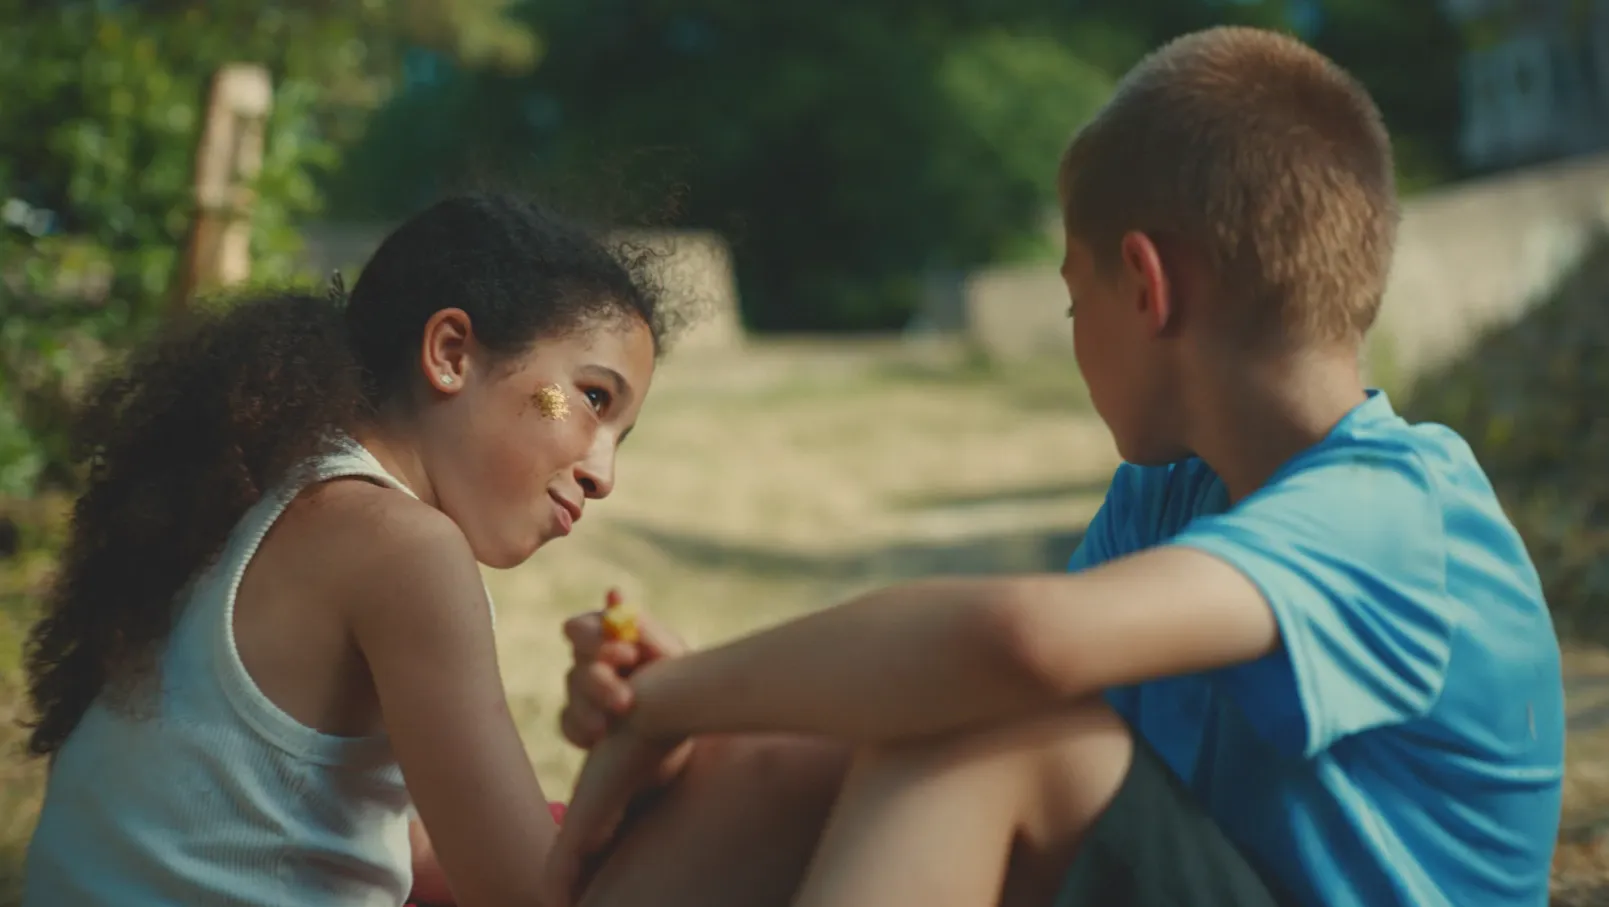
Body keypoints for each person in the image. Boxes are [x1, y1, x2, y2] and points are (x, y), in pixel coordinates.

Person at [543, 26, 1565, 907]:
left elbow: (1018, 648)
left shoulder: (1399, 508)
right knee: (861, 721)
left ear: (1144, 284)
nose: (1076, 334)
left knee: (988, 729)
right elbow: (942, 665)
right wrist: (684, 712)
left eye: (1075, 302)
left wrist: (679, 699)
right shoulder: (1173, 495)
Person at [20, 193, 669, 907]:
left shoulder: (258, 488)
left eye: (619, 436)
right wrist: (652, 746)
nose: (602, 474)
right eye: (592, 399)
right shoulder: (406, 551)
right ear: (451, 354)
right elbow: (530, 894)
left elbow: (400, 844)